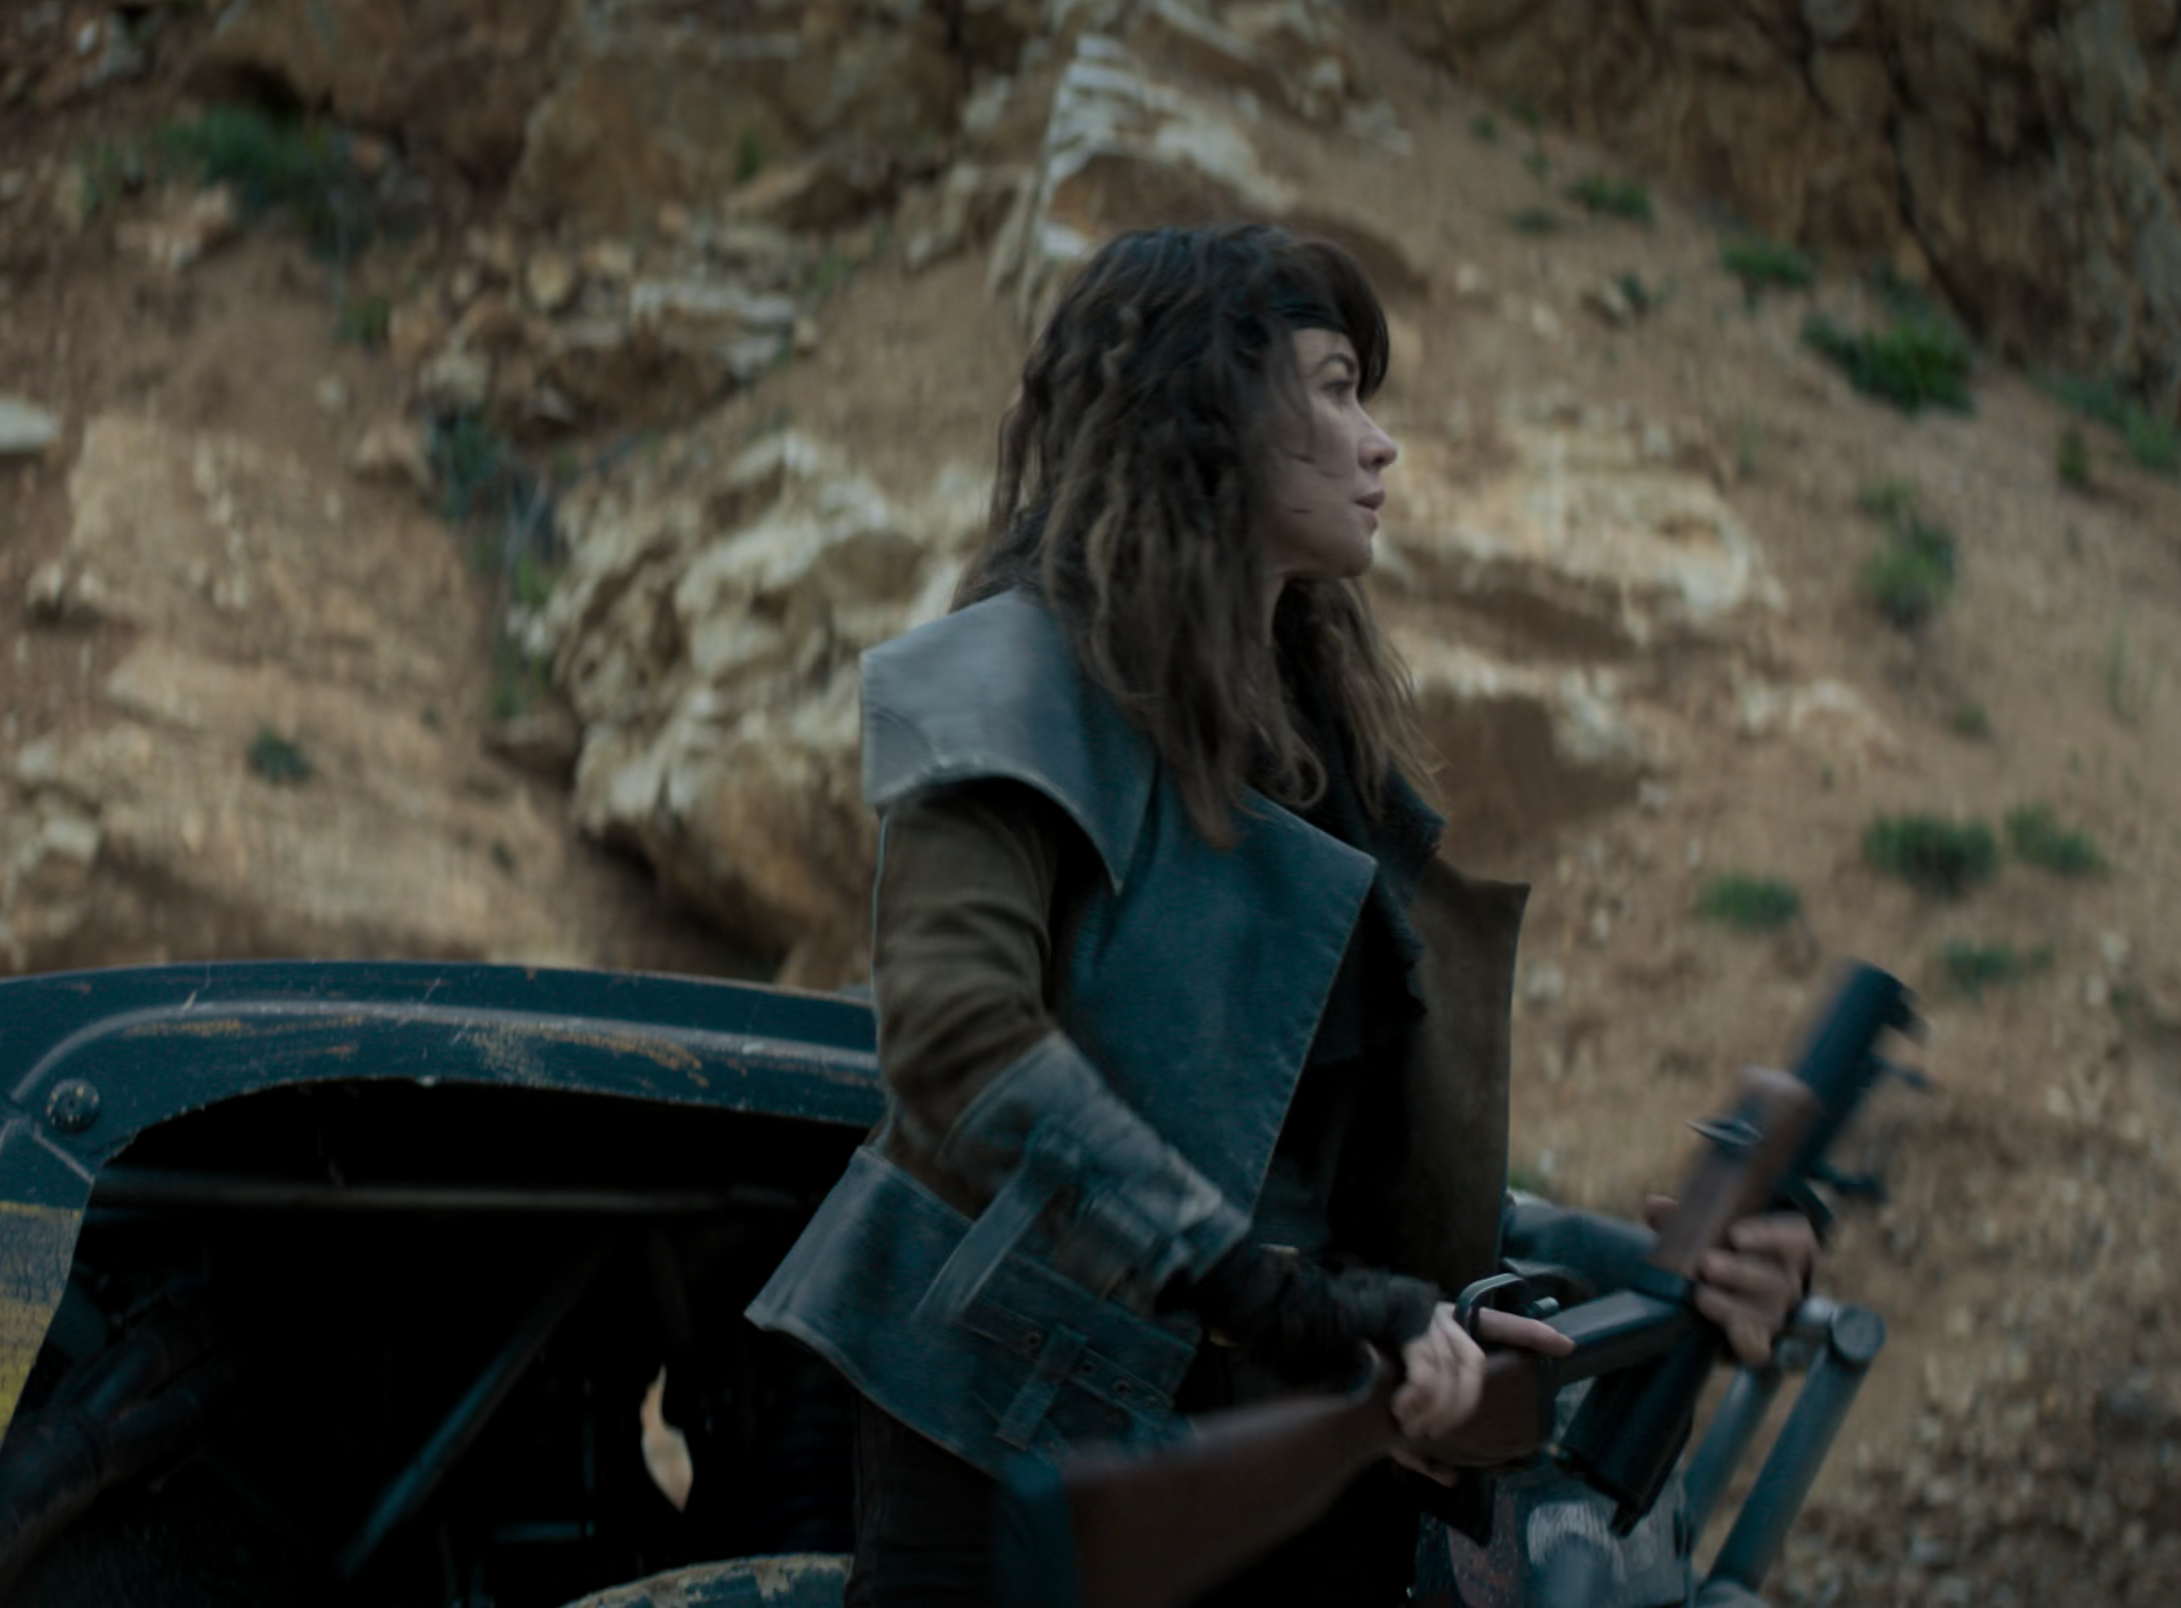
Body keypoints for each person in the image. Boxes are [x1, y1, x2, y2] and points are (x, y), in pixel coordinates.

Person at [744, 222, 1819, 1605]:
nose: (1381, 444)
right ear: (1206, 411)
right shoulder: (1004, 680)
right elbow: (963, 1046)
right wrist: (1288, 1305)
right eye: (1335, 388)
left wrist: (1658, 1275)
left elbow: (1337, 1189)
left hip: (1296, 1469)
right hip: (1011, 1443)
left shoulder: (1324, 767)